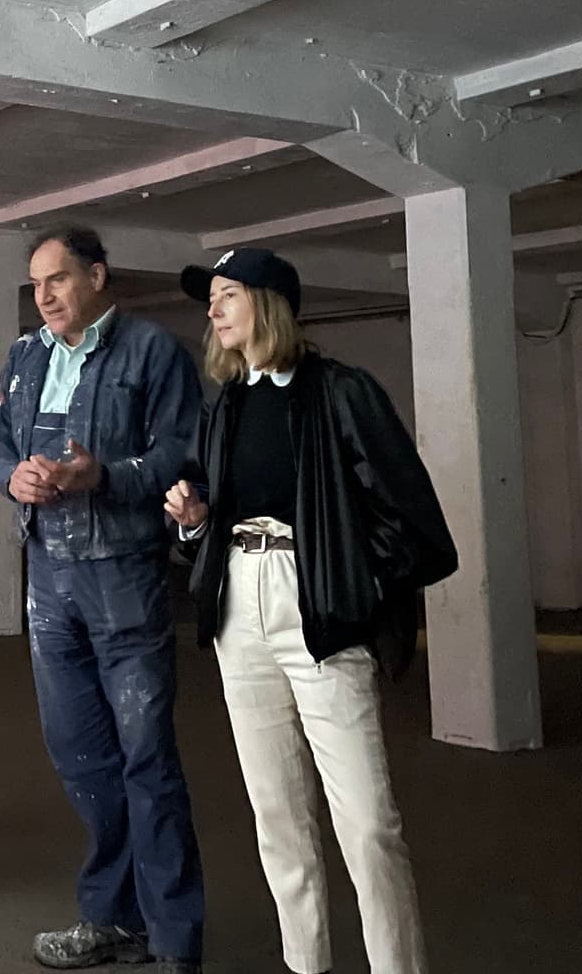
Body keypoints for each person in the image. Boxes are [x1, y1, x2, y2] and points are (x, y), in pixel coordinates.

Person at [165, 247, 457, 974]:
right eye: (212, 298)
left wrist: (348, 581)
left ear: (268, 302)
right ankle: (307, 963)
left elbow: (413, 518)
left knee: (368, 825)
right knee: (277, 816)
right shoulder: (227, 403)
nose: (214, 309)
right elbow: (217, 507)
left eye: (227, 294)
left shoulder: (340, 392)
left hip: (317, 609)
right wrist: (194, 521)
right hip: (241, 606)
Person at [0, 225, 207, 974]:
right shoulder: (24, 355)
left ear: (98, 277)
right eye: (36, 284)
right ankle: (113, 918)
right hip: (49, 577)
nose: (43, 296)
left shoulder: (152, 352)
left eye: (58, 280)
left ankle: (173, 940)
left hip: (125, 580)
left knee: (147, 761)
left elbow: (181, 450)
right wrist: (11, 475)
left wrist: (106, 476)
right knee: (82, 758)